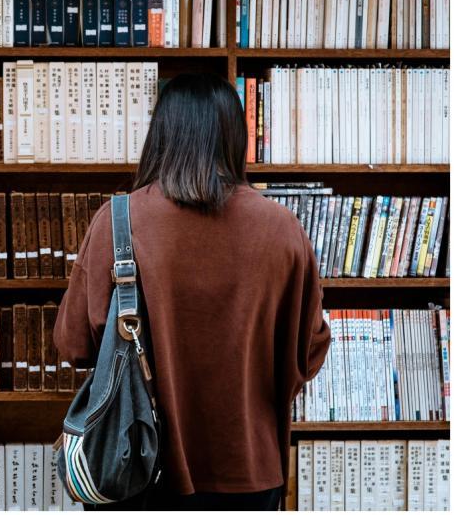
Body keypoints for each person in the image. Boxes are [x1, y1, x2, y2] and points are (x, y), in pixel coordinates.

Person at [53, 73, 331, 511]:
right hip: (249, 470)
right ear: (235, 137)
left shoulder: (117, 221)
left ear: (160, 135)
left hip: (134, 465)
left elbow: (74, 346)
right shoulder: (283, 230)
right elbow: (309, 353)